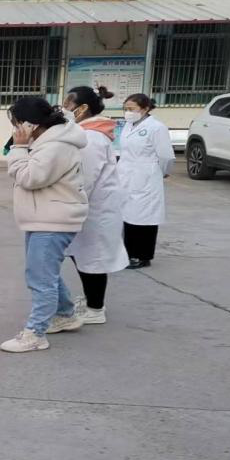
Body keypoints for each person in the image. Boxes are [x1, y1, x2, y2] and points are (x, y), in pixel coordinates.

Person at [1, 97, 89, 354]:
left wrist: (18, 148)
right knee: (43, 272)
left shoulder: (56, 146)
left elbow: (30, 177)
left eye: (17, 123)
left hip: (54, 219)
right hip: (45, 216)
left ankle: (35, 334)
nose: (15, 129)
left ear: (30, 124)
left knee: (41, 277)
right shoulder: (48, 141)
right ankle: (64, 314)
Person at [62, 86, 129, 324]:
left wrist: (71, 204)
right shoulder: (87, 133)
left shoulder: (90, 137)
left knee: (93, 258)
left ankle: (95, 309)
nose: (64, 109)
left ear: (82, 108)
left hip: (95, 208)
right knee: (83, 255)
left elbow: (85, 177)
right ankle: (92, 300)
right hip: (92, 206)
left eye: (68, 105)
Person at [118, 93, 175, 269]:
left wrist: (162, 172)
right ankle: (128, 253)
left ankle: (142, 256)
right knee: (127, 215)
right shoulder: (128, 125)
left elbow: (166, 156)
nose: (128, 112)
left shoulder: (156, 127)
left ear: (145, 109)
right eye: (126, 109)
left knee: (144, 217)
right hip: (126, 174)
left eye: (131, 109)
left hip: (147, 175)